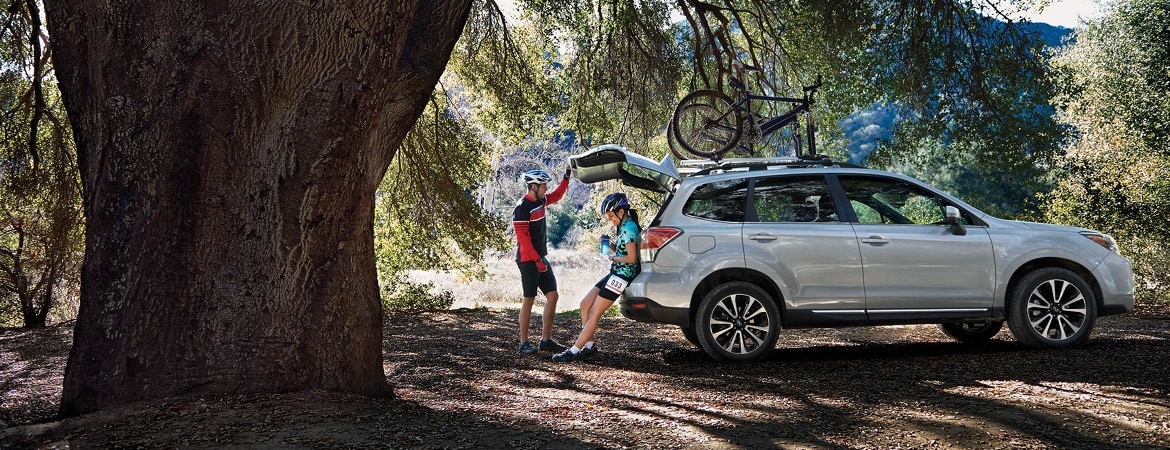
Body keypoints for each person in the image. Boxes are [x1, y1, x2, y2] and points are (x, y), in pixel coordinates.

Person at [553, 192, 641, 362]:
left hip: (623, 276)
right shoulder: (624, 226)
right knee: (585, 304)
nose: (610, 219)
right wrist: (611, 245)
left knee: (594, 312)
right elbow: (624, 250)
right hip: (616, 272)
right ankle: (589, 346)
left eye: (610, 215)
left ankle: (574, 351)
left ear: (621, 212)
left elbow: (631, 258)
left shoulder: (629, 228)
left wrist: (611, 257)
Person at [513, 167, 572, 354]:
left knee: (553, 296)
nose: (546, 189)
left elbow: (557, 195)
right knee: (529, 298)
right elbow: (523, 239)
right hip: (527, 259)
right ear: (533, 186)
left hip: (540, 258)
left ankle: (545, 340)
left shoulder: (540, 201)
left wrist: (566, 178)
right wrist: (537, 260)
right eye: (543, 185)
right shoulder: (521, 207)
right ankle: (524, 342)